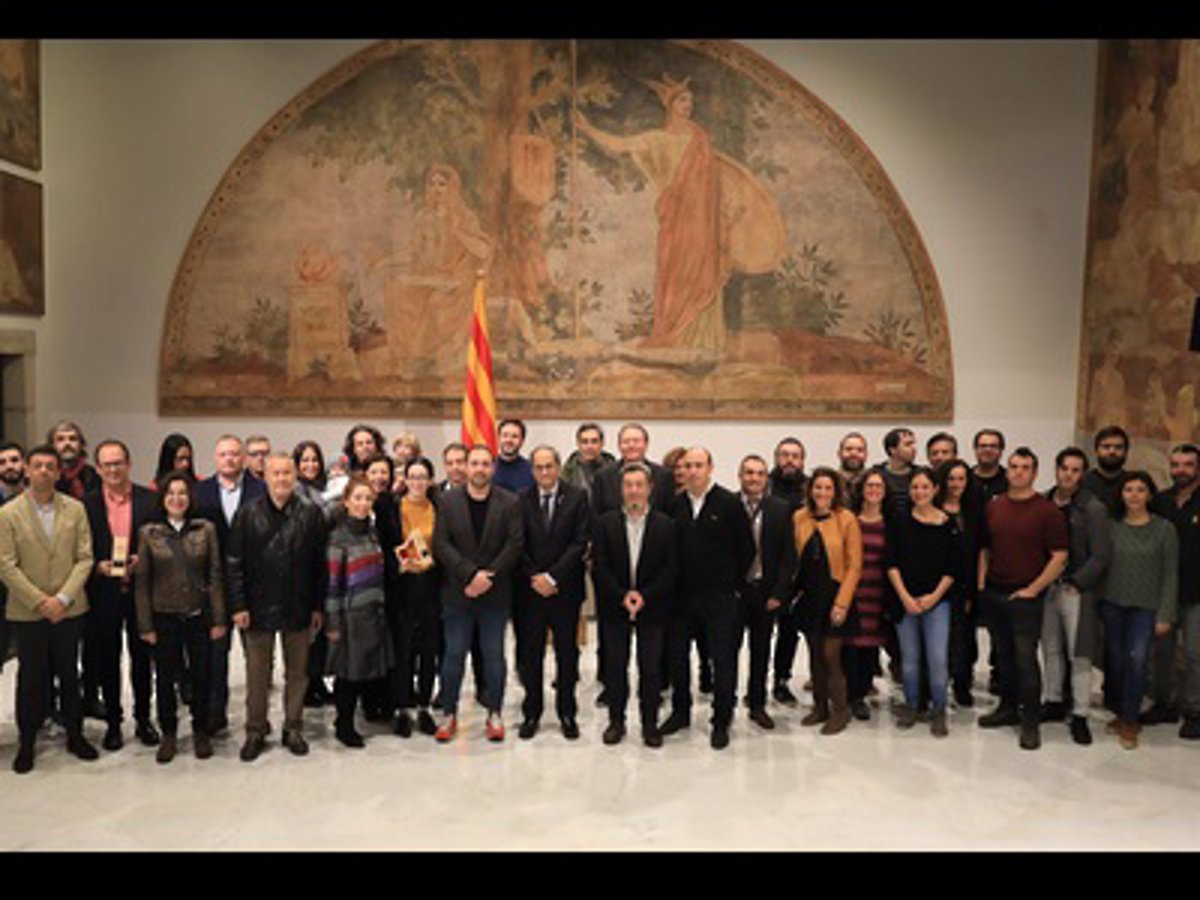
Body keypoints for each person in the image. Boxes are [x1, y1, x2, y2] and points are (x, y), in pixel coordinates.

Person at [0, 445, 98, 774]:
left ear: (58, 472)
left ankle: (75, 735)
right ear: (27, 470)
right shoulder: (8, 513)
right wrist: (41, 601)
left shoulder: (75, 509)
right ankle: (26, 742)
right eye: (38, 465)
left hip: (69, 609)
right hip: (29, 611)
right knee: (30, 677)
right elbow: (5, 564)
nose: (44, 471)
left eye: (50, 466)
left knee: (69, 674)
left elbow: (85, 558)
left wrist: (63, 599)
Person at [227, 452, 326, 762]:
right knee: (258, 674)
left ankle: (293, 728)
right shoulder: (247, 513)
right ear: (265, 477)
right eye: (276, 473)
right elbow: (234, 563)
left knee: (297, 673)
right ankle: (255, 730)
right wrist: (238, 604)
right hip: (257, 606)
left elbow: (319, 565)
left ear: (295, 476)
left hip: (299, 604)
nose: (282, 479)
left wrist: (317, 606)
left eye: (287, 473)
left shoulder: (311, 513)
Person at [661, 448, 754, 750]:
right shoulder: (675, 504)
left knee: (723, 659)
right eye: (687, 465)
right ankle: (680, 712)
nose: (692, 471)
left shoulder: (728, 503)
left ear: (710, 467)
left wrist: (731, 584)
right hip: (681, 598)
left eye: (698, 465)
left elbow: (747, 549)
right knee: (677, 657)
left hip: (719, 597)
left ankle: (721, 719)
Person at [977, 447, 1069, 750]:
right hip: (995, 592)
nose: (1018, 472)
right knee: (1003, 657)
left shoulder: (1047, 511)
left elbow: (1059, 557)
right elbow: (985, 549)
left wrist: (1033, 589)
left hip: (1026, 597)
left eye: (1025, 467)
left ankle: (1030, 721)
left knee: (1025, 659)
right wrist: (982, 585)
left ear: (1034, 472)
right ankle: (1007, 708)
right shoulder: (994, 507)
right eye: (1014, 466)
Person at [431, 444, 523, 743]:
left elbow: (515, 544)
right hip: (458, 592)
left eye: (485, 464)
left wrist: (488, 576)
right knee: (453, 655)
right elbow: (441, 543)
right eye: (474, 463)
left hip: (495, 594)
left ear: (492, 468)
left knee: (494, 656)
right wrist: (470, 575)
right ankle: (448, 713)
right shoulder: (446, 501)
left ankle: (494, 713)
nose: (479, 469)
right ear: (466, 467)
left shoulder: (509, 502)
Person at [134, 471, 226, 763]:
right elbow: (142, 582)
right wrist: (145, 624)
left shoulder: (205, 529)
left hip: (198, 615)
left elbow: (215, 575)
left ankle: (200, 730)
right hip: (163, 616)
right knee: (165, 678)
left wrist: (219, 619)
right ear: (162, 498)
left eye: (182, 493)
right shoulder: (149, 533)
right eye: (171, 493)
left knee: (201, 675)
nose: (177, 499)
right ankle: (169, 733)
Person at [592, 462, 678, 747]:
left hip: (652, 608)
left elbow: (670, 568)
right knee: (615, 667)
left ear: (650, 488)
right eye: (628, 485)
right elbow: (600, 566)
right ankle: (616, 722)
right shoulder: (605, 523)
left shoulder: (666, 525)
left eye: (639, 485)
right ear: (621, 489)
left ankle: (650, 724)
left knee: (650, 669)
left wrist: (645, 596)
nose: (634, 490)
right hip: (615, 607)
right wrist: (622, 595)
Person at [82, 439, 159, 751]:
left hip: (140, 591)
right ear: (99, 469)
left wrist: (145, 559)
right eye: (107, 464)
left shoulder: (149, 500)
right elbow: (78, 548)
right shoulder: (85, 505)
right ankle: (114, 722)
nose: (113, 469)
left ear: (128, 464)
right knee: (107, 660)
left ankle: (143, 719)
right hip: (103, 593)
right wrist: (96, 567)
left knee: (142, 659)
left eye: (118, 463)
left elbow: (160, 541)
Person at [515, 445, 591, 739]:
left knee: (567, 653)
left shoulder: (577, 497)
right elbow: (516, 543)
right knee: (531, 654)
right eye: (539, 467)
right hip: (530, 591)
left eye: (549, 466)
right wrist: (535, 576)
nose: (544, 472)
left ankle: (567, 712)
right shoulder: (520, 499)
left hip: (565, 590)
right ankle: (531, 711)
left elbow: (580, 541)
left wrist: (553, 577)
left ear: (558, 467)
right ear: (532, 470)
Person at [1100, 471, 1178, 750]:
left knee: (1137, 661)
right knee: (1116, 662)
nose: (1134, 495)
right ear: (1121, 494)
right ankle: (1121, 711)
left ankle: (1130, 721)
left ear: (1150, 495)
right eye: (1128, 489)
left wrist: (1165, 613)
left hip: (1146, 608)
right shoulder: (1111, 526)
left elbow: (1170, 574)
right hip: (1113, 604)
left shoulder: (1164, 529)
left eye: (1140, 489)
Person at [194, 434, 265, 735]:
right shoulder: (199, 492)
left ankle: (257, 719)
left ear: (244, 458)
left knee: (257, 658)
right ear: (215, 458)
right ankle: (215, 713)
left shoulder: (261, 490)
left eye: (235, 454)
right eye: (224, 454)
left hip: (253, 585)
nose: (230, 459)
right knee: (215, 655)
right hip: (213, 586)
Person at [1041, 447, 1112, 746]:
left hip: (1076, 590)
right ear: (1056, 470)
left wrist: (1079, 582)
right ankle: (1054, 700)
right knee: (1051, 647)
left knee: (1079, 652)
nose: (1068, 475)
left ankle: (1080, 713)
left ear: (1082, 475)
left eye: (1075, 470)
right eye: (1064, 468)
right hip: (1047, 586)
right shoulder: (1044, 501)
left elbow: (1102, 555)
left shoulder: (1093, 508)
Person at [886, 470, 961, 737]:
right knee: (909, 659)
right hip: (905, 600)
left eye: (925, 487)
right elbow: (891, 563)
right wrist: (905, 597)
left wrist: (934, 597)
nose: (919, 492)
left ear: (935, 489)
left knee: (937, 658)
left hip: (937, 602)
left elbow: (953, 568)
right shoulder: (899, 521)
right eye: (915, 487)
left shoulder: (949, 524)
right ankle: (912, 704)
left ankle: (939, 708)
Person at [324, 475, 395, 748]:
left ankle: (366, 712)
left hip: (375, 611)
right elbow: (332, 585)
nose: (363, 503)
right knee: (348, 674)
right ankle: (343, 724)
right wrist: (332, 622)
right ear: (346, 501)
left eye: (367, 498)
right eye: (357, 498)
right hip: (349, 615)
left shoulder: (373, 533)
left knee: (367, 668)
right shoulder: (337, 538)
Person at [791, 467, 863, 736]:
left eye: (828, 488)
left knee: (830, 655)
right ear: (810, 490)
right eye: (818, 487)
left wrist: (842, 603)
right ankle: (820, 707)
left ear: (836, 492)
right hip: (810, 598)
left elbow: (855, 566)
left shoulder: (847, 519)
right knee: (814, 656)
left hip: (836, 596)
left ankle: (840, 711)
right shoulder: (799, 517)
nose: (822, 493)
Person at [735, 454, 796, 730]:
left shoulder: (780, 509)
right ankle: (725, 706)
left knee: (761, 652)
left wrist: (779, 593)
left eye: (760, 473)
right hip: (736, 593)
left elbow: (787, 556)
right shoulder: (728, 506)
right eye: (749, 472)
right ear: (740, 476)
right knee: (728, 652)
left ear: (766, 478)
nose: (754, 478)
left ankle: (757, 704)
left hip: (765, 591)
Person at [1149, 443, 1200, 738]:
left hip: (1197, 594)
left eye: (1188, 464)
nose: (1181, 470)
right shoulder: (1161, 502)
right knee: (1162, 652)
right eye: (1176, 464)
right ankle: (1164, 704)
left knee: (1194, 654)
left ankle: (1194, 710)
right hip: (1164, 591)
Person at [936, 459, 986, 707]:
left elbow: (982, 549)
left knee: (964, 637)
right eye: (951, 478)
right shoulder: (933, 507)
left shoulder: (973, 511)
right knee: (939, 639)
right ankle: (937, 685)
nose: (956, 484)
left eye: (961, 479)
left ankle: (962, 684)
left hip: (966, 584)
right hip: (936, 584)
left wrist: (979, 585)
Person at [398, 456, 441, 736]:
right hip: (402, 587)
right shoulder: (394, 507)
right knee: (403, 650)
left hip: (431, 586)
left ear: (430, 481)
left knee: (428, 650)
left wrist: (431, 562)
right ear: (405, 480)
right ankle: (403, 708)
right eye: (412, 477)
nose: (417, 482)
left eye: (422, 477)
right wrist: (400, 565)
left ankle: (424, 706)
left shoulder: (438, 508)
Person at [845, 469, 889, 720]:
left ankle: (862, 692)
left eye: (878, 486)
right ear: (861, 490)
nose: (874, 490)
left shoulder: (891, 522)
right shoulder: (850, 520)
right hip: (853, 590)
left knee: (871, 646)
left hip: (879, 590)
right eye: (869, 485)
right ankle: (851, 696)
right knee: (851, 646)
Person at [769, 437, 810, 703]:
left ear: (802, 460)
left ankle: (781, 680)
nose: (789, 460)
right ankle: (754, 684)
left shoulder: (810, 489)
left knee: (789, 631)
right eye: (784, 455)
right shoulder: (765, 485)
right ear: (776, 458)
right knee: (760, 633)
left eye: (795, 456)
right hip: (768, 570)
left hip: (801, 572)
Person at [591, 423, 675, 517]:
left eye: (636, 441)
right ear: (619, 445)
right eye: (626, 442)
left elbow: (669, 514)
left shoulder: (664, 476)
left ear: (646, 444)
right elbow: (596, 515)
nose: (631, 446)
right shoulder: (603, 476)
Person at [0, 440, 23, 678]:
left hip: (31, 591)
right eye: (2, 462)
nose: (9, 466)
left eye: (15, 460)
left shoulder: (37, 499)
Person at [870, 428, 922, 520]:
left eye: (913, 444)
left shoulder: (920, 474)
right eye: (907, 445)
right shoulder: (876, 474)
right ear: (892, 450)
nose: (913, 449)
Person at [561, 422, 615, 500]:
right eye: (584, 442)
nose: (589, 446)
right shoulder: (567, 472)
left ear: (602, 443)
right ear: (578, 444)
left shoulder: (613, 470)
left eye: (594, 441)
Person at [1082, 425, 1130, 514]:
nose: (1112, 451)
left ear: (1126, 452)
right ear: (1096, 451)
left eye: (1118, 447)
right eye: (1106, 447)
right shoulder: (1083, 483)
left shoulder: (1132, 484)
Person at [47, 420, 100, 500]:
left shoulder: (95, 475)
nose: (67, 443)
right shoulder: (46, 475)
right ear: (52, 445)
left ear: (81, 445)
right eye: (60, 439)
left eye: (72, 439)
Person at [492, 419, 535, 494]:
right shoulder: (488, 467)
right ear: (498, 438)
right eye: (505, 435)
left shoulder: (531, 470)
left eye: (514, 436)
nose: (509, 440)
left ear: (522, 441)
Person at [972, 429, 1009, 501]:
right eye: (983, 446)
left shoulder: (1010, 480)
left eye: (993, 446)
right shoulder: (965, 479)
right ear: (975, 449)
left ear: (1001, 450)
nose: (988, 450)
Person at [836, 431, 869, 496]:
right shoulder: (831, 481)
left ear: (866, 455)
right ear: (839, 453)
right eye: (848, 449)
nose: (854, 453)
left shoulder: (873, 483)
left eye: (859, 450)